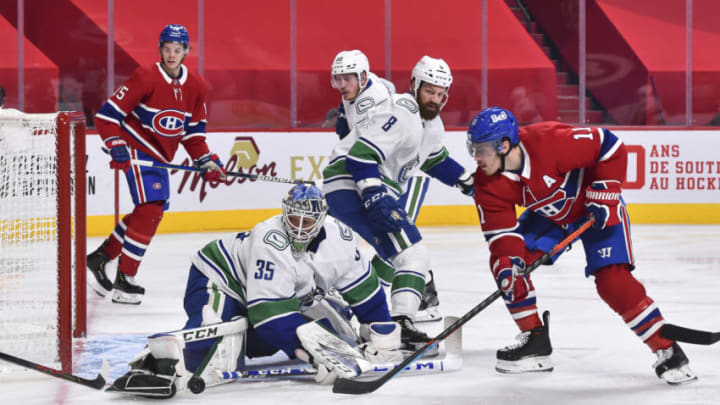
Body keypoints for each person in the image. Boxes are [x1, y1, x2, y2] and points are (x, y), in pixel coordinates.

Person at [466, 106, 696, 384]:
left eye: (481, 150)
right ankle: (534, 340)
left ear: (503, 145)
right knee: (505, 264)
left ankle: (668, 349)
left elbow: (610, 146)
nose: (475, 157)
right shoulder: (487, 183)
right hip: (549, 218)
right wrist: (511, 265)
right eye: (473, 149)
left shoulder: (549, 142)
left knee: (613, 282)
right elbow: (502, 236)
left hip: (595, 210)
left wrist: (605, 192)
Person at [107, 184, 403, 397]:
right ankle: (157, 362)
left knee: (324, 327)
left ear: (322, 218)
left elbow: (366, 292)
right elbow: (270, 317)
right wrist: (316, 355)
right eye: (294, 218)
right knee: (214, 340)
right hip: (220, 278)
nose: (299, 228)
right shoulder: (270, 239)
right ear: (284, 213)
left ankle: (234, 338)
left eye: (307, 220)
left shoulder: (340, 239)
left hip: (276, 297)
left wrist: (381, 331)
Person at [322, 50, 474, 349]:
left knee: (397, 257)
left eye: (441, 94)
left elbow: (433, 160)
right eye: (429, 91)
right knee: (412, 255)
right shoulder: (403, 110)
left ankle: (367, 319)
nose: (435, 99)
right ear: (415, 85)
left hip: (356, 187)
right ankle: (397, 324)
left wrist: (467, 182)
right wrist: (373, 193)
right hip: (354, 185)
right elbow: (361, 155)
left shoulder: (432, 124)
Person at [87, 24, 226, 305]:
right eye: (167, 49)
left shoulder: (196, 86)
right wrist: (116, 145)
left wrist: (206, 161)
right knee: (151, 207)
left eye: (177, 50)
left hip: (160, 156)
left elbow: (193, 135)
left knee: (152, 208)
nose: (172, 55)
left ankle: (101, 258)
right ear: (160, 49)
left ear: (186, 51)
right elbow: (106, 116)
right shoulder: (146, 77)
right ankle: (125, 278)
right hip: (135, 147)